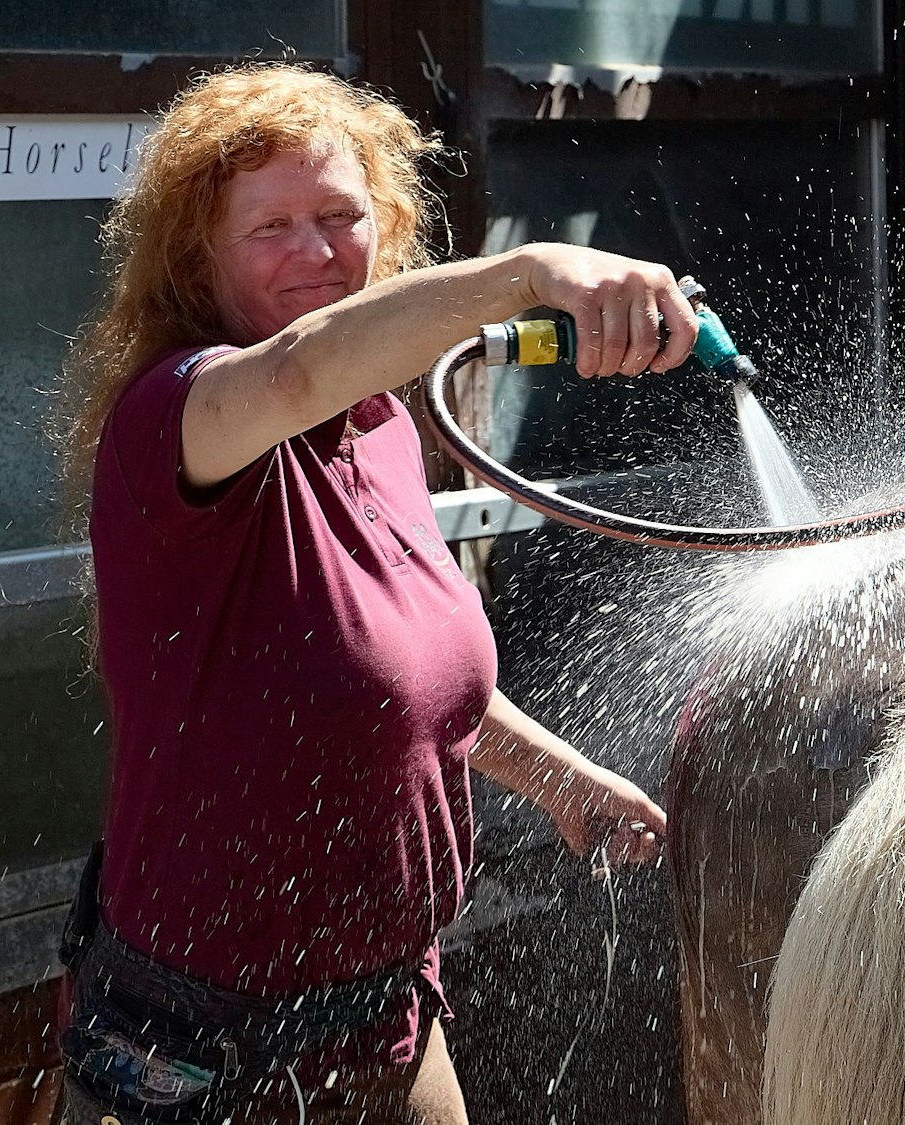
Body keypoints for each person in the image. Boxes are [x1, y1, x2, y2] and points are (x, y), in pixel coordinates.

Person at [54, 63, 698, 1123]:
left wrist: (562, 779)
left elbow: (404, 671)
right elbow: (299, 370)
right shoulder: (172, 418)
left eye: (341, 216)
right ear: (195, 256)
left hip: (387, 1025)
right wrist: (531, 271)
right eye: (269, 227)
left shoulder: (382, 430)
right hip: (192, 1062)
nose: (313, 252)